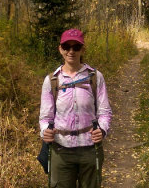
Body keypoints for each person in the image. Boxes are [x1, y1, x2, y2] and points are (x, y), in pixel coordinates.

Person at [39, 28, 112, 188]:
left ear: (82, 49)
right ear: (60, 49)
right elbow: (45, 118)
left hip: (90, 148)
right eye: (66, 47)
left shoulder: (95, 77)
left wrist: (102, 129)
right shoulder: (51, 80)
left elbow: (104, 112)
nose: (71, 51)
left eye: (76, 47)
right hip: (61, 149)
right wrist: (45, 131)